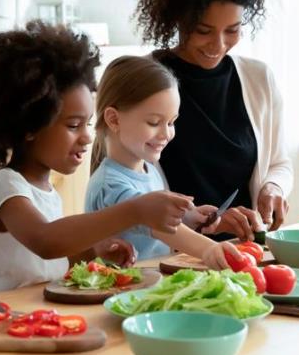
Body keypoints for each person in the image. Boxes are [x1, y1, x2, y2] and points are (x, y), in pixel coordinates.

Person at [0, 21, 195, 292]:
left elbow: (46, 261)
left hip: (31, 318)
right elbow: (45, 242)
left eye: (87, 124)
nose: (87, 137)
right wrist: (136, 210)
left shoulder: (47, 191)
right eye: (73, 126)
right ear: (29, 125)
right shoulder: (6, 187)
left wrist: (93, 252)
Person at [134, 0, 293, 241]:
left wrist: (274, 187)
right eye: (204, 31)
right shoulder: (141, 79)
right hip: (171, 254)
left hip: (245, 249)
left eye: (232, 30)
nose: (218, 44)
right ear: (177, 19)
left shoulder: (259, 79)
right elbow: (120, 189)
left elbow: (279, 163)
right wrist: (204, 223)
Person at [85, 55, 241, 267]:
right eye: (154, 122)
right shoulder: (110, 184)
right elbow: (155, 224)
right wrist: (208, 248)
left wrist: (187, 218)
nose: (166, 133)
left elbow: (149, 227)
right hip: (121, 293)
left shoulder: (149, 170)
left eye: (171, 122)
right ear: (113, 119)